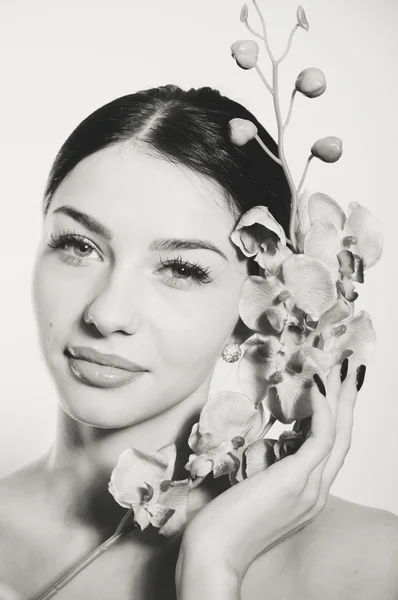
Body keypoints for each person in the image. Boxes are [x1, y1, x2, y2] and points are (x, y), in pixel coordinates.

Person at [0, 84, 397, 600]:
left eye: (181, 269)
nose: (106, 314)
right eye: (78, 245)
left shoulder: (370, 566)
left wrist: (213, 564)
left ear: (258, 311)